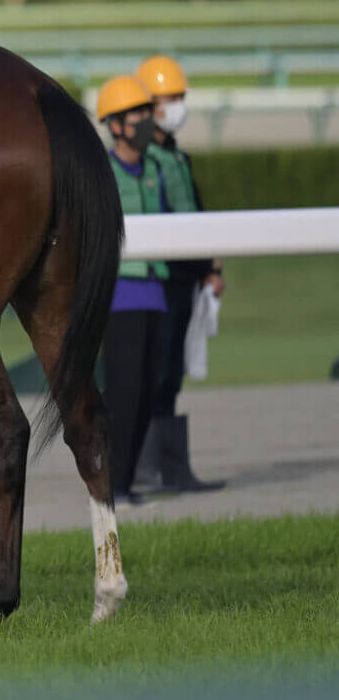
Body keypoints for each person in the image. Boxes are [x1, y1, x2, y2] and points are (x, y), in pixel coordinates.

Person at [132, 55, 225, 493]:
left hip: (188, 277)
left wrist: (211, 266)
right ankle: (146, 466)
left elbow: (196, 212)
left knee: (172, 371)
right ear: (148, 105)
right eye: (169, 98)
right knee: (155, 371)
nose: (177, 106)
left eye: (180, 97)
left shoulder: (178, 156)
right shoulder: (143, 158)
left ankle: (171, 467)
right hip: (158, 278)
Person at [94, 75, 167, 505]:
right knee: (123, 394)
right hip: (120, 297)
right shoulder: (103, 170)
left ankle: (124, 481)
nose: (144, 121)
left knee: (148, 394)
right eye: (135, 115)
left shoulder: (156, 168)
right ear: (116, 124)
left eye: (145, 112)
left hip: (155, 293)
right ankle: (111, 483)